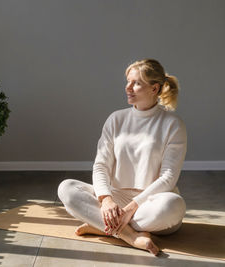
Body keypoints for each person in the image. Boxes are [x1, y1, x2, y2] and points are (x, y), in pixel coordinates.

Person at [57, 59, 187, 255]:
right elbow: (101, 165)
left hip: (151, 203)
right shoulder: (116, 119)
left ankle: (101, 225)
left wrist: (132, 208)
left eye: (136, 83)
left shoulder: (173, 124)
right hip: (117, 198)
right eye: (128, 81)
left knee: (174, 206)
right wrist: (106, 201)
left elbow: (168, 177)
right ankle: (130, 235)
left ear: (154, 88)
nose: (128, 87)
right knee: (66, 189)